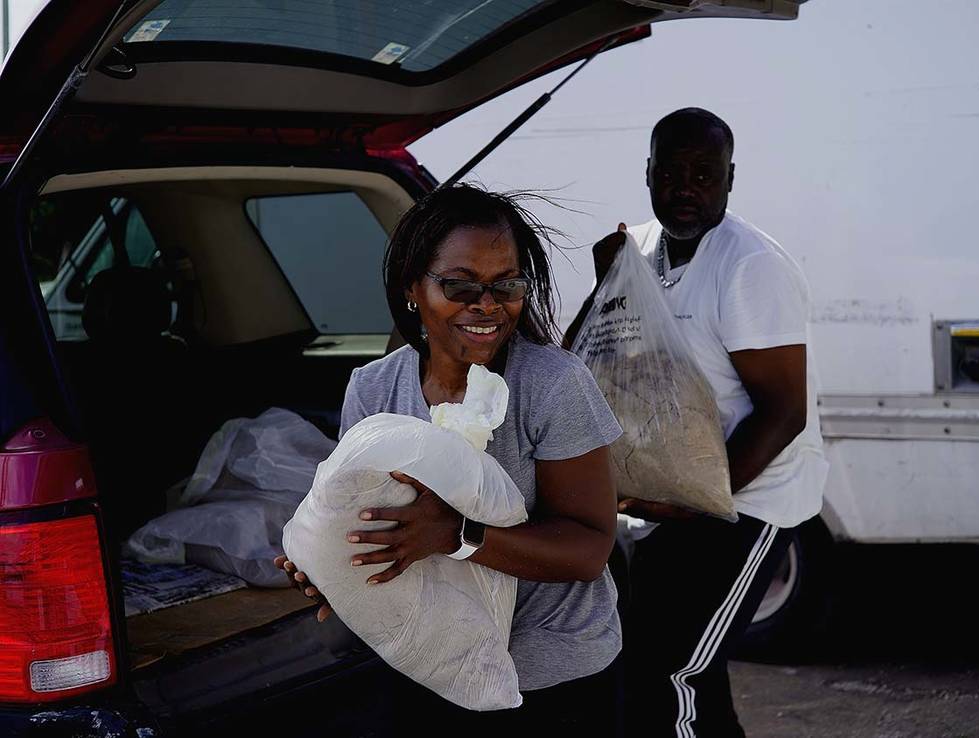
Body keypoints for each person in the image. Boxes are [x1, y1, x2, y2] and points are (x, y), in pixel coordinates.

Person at [276, 184, 624, 737]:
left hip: (553, 679)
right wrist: (327, 568)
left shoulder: (554, 386)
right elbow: (354, 518)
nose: (486, 305)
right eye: (460, 285)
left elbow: (588, 549)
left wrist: (460, 535)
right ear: (414, 288)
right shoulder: (373, 391)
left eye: (505, 285)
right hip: (428, 665)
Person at [563, 107, 829, 737]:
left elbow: (785, 412)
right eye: (672, 173)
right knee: (653, 659)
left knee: (674, 671)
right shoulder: (643, 250)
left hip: (750, 498)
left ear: (730, 179)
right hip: (675, 497)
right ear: (648, 174)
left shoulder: (749, 267)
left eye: (704, 174)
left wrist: (703, 501)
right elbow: (584, 358)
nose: (686, 188)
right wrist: (609, 284)